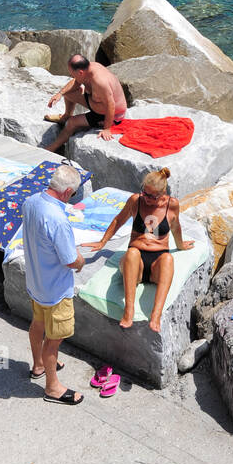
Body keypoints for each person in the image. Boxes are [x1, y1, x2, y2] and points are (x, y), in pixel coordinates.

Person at [85, 169, 193, 331]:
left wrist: (180, 245)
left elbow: (176, 227)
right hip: (136, 264)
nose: (147, 199)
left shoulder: (172, 205)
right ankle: (129, 310)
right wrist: (102, 242)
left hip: (157, 262)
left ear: (163, 193)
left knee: (168, 259)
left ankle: (155, 315)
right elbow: (118, 221)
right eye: (145, 193)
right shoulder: (136, 200)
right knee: (133, 253)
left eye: (152, 196)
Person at [21, 165, 85, 404]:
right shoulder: (58, 219)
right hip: (56, 290)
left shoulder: (31, 201)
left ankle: (39, 365)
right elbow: (70, 260)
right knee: (54, 340)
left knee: (38, 322)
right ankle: (53, 387)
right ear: (68, 192)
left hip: (36, 282)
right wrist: (81, 261)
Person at [44, 53, 128, 154]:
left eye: (72, 74)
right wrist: (60, 93)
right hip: (95, 102)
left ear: (80, 72)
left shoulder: (100, 81)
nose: (71, 76)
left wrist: (107, 128)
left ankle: (53, 147)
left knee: (72, 123)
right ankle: (66, 116)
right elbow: (76, 82)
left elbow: (111, 104)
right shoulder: (89, 67)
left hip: (110, 115)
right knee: (68, 93)